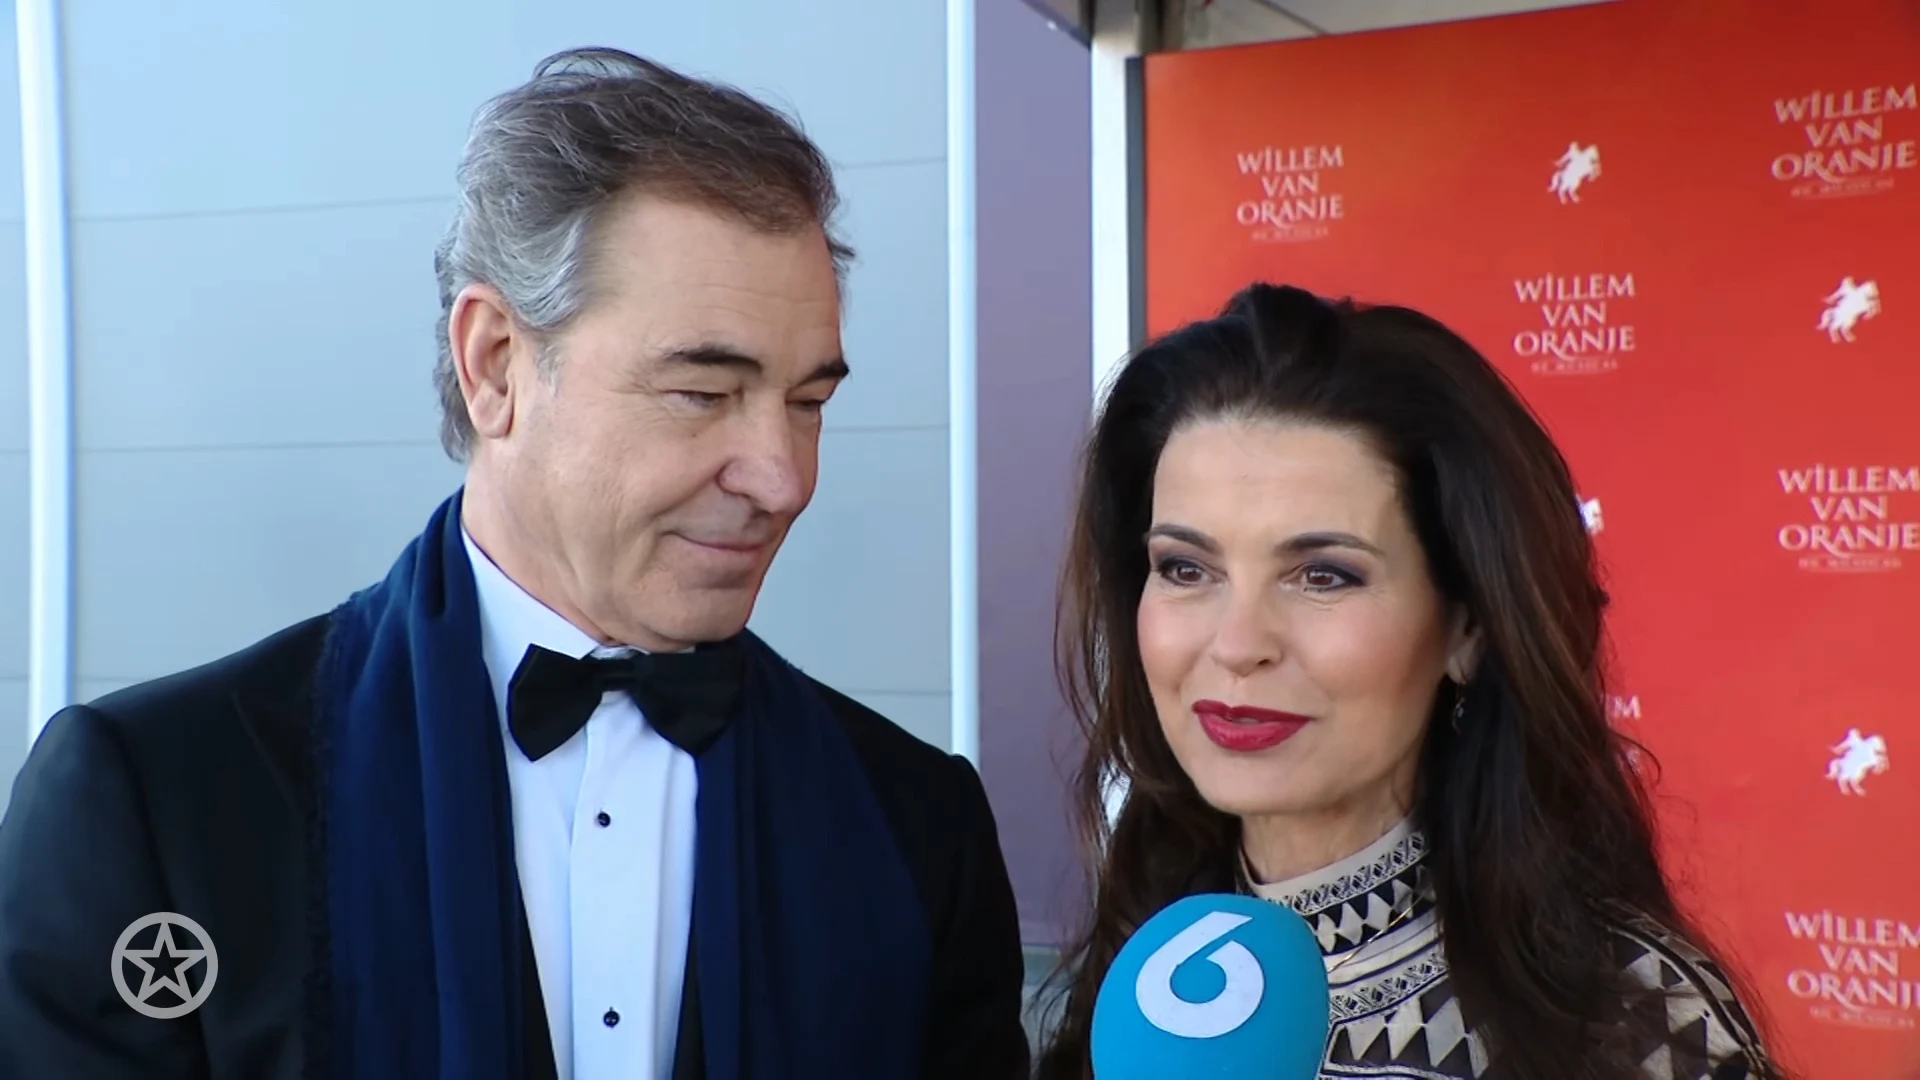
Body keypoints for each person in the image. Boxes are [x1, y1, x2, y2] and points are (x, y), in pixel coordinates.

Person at [0, 49, 1030, 1080]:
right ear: (494, 364)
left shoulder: (919, 830)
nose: (783, 478)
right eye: (703, 393)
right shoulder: (155, 808)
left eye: (809, 403)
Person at [1036, 284, 1783, 1080]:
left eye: (1323, 575)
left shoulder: (1635, 1023)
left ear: (1467, 627)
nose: (1238, 644)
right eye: (1186, 568)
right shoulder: (1138, 982)